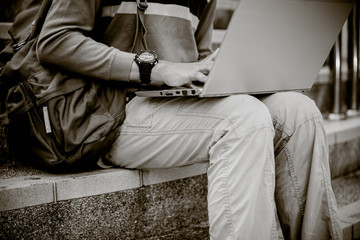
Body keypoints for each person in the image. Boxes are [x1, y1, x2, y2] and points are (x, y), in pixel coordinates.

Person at [36, 0, 342, 239]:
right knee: (244, 119)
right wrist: (156, 69)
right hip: (112, 110)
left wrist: (229, 75)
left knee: (299, 112)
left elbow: (200, 56)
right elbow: (54, 40)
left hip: (177, 103)